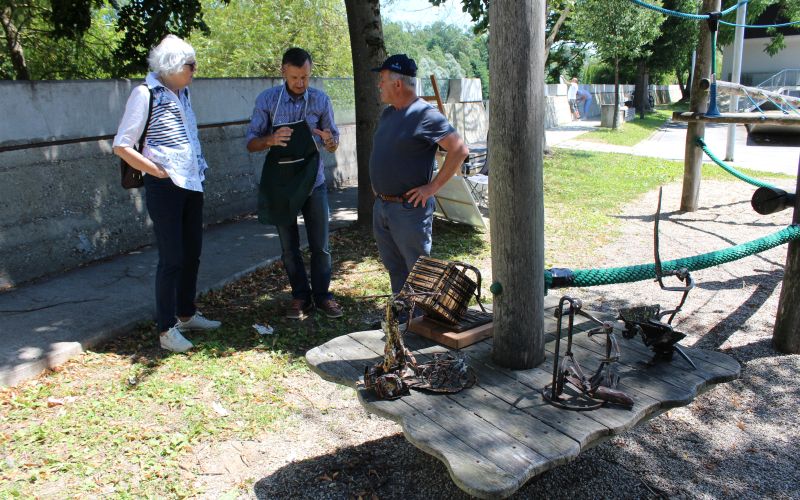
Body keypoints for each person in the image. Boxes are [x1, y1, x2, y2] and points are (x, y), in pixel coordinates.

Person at [113, 35, 221, 353]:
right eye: (191, 65)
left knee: (192, 253)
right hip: (165, 186)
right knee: (171, 258)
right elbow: (121, 144)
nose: (195, 70)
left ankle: (186, 313)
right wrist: (155, 170)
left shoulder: (182, 92)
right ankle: (166, 329)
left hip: (191, 182)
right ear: (173, 65)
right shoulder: (145, 93)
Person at [246, 48, 342, 320]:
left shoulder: (320, 100)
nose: (301, 83)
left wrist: (330, 140)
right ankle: (301, 296)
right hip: (282, 185)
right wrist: (270, 139)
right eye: (296, 77)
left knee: (321, 245)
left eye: (306, 77)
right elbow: (251, 142)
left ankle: (323, 296)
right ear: (283, 72)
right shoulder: (267, 100)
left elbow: (333, 143)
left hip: (314, 182)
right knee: (289, 248)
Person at [369, 54, 469, 295]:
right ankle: (403, 321)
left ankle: (421, 324)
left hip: (409, 210)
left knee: (419, 272)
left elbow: (459, 150)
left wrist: (431, 188)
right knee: (395, 269)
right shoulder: (389, 113)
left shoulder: (425, 114)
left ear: (397, 83)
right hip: (383, 206)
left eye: (382, 79)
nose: (379, 85)